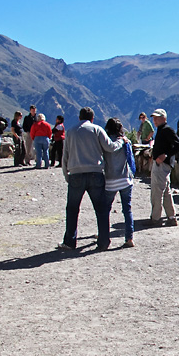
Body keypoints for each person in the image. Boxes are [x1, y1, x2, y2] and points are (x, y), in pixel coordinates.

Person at [58, 107, 126, 251]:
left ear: (79, 117)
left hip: (76, 174)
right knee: (101, 209)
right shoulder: (97, 129)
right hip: (95, 173)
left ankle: (70, 242)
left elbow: (65, 156)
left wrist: (66, 175)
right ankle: (103, 242)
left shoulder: (70, 131)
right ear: (92, 118)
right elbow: (110, 147)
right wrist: (121, 141)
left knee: (72, 208)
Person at [104, 118, 135, 248]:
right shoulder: (125, 142)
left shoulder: (105, 142)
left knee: (105, 210)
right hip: (125, 179)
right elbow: (130, 159)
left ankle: (104, 237)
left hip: (110, 180)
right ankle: (129, 238)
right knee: (127, 209)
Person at [149, 108, 179, 227]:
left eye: (157, 118)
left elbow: (178, 145)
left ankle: (156, 218)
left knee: (157, 192)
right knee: (166, 192)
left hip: (161, 165)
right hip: (164, 165)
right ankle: (171, 217)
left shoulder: (167, 130)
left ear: (164, 118)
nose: (154, 120)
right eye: (154, 118)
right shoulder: (162, 130)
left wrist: (166, 155)